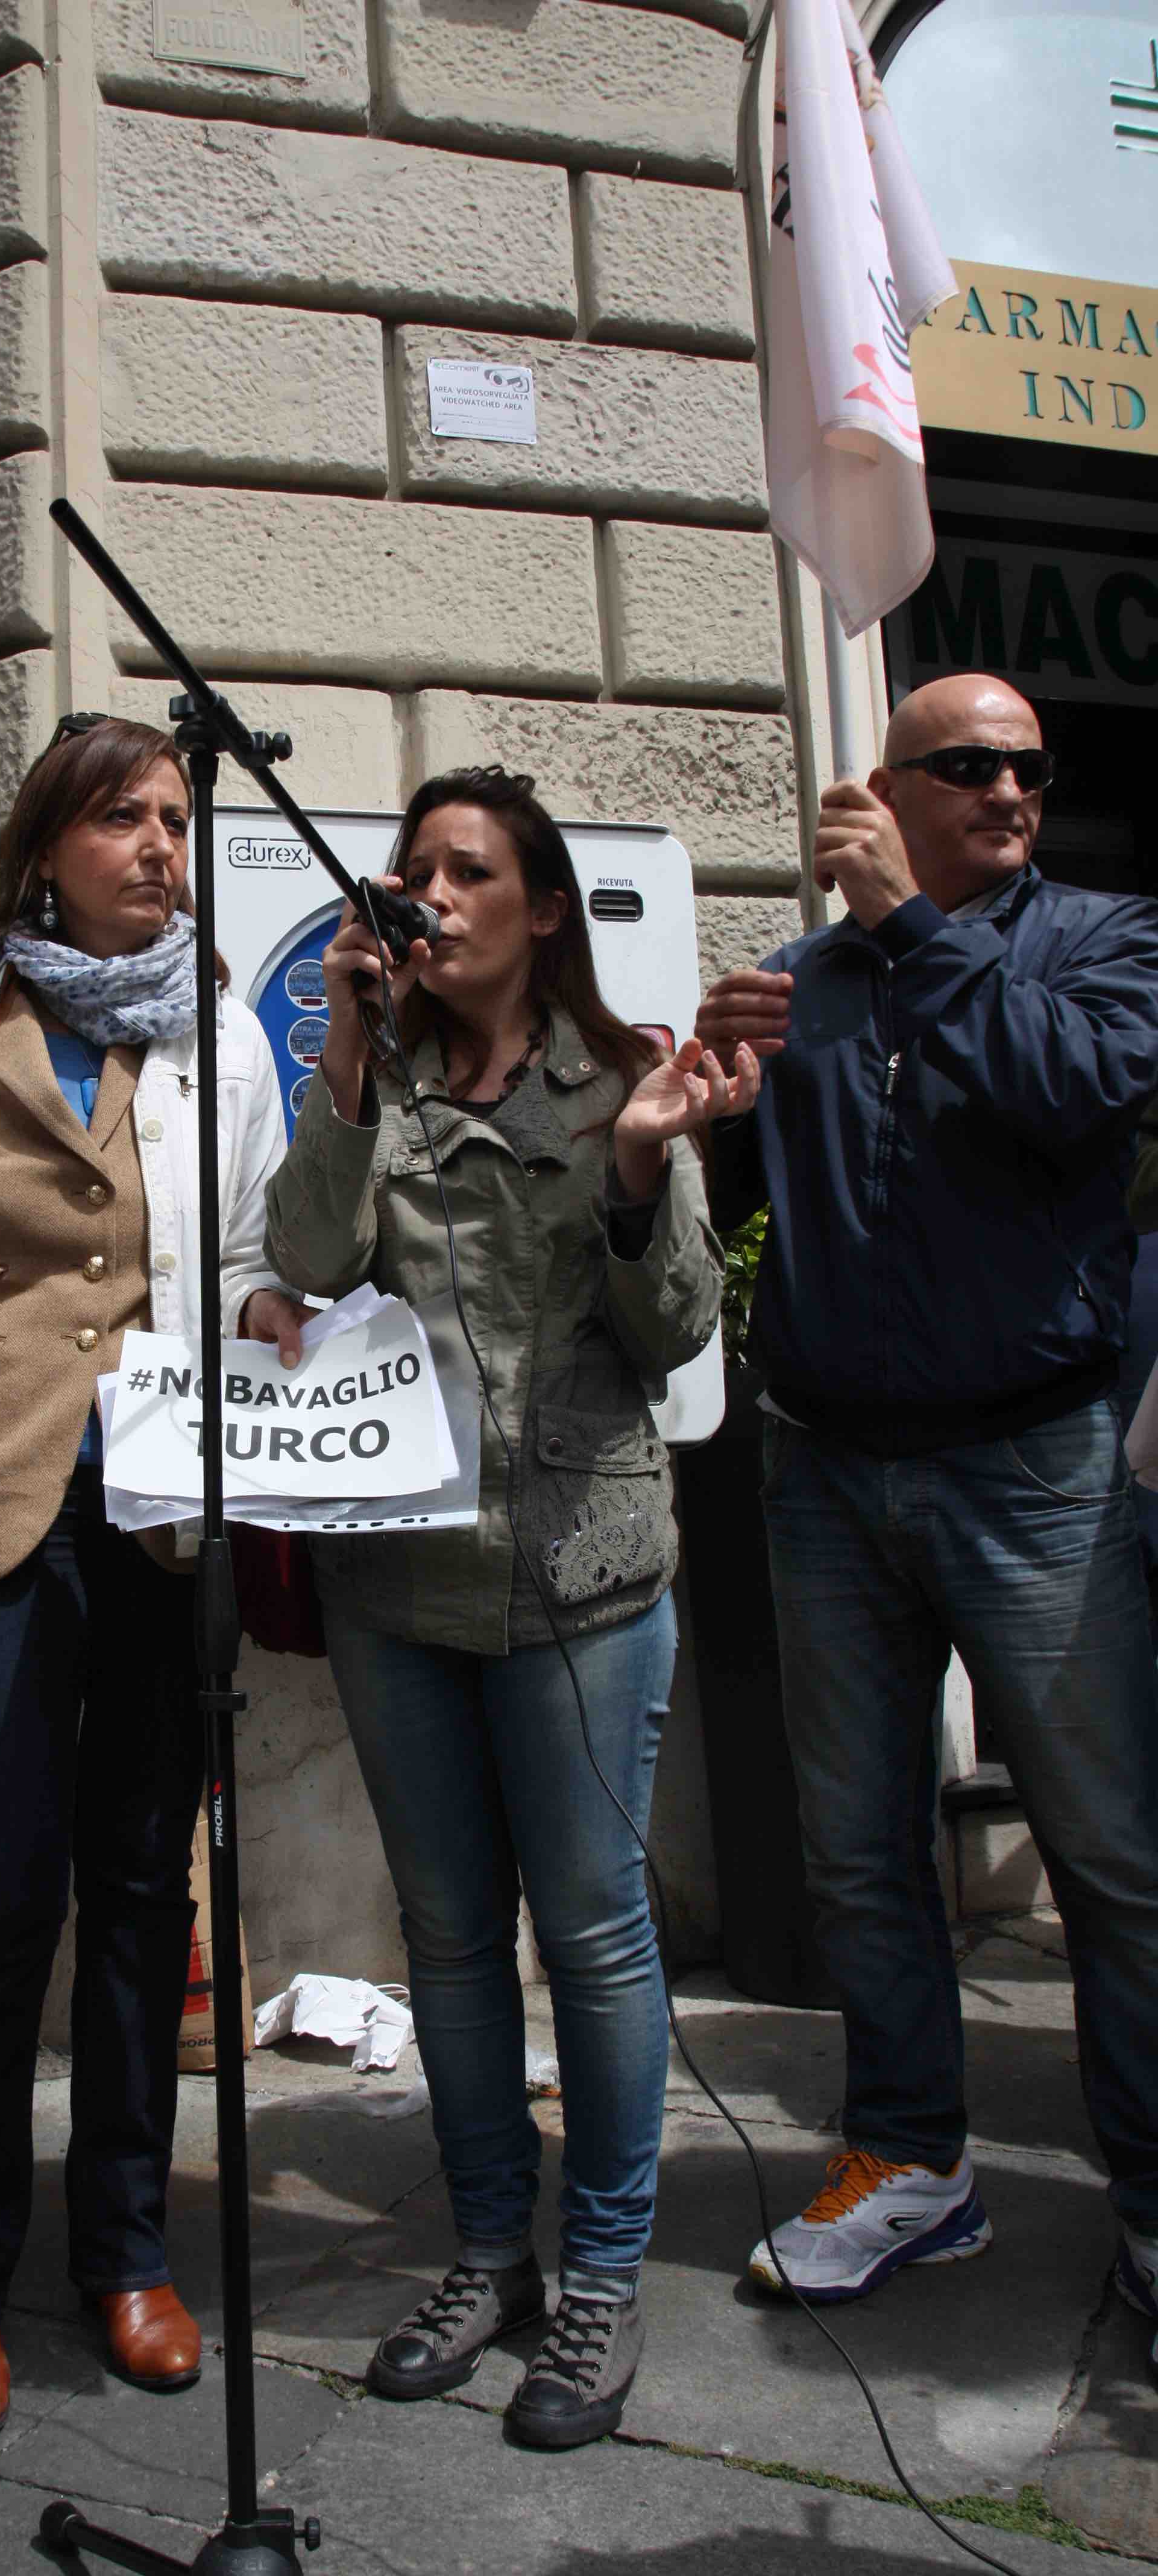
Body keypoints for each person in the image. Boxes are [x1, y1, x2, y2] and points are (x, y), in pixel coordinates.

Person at [0, 716, 308, 2443]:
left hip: (159, 1507)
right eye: (123, 819)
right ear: (46, 847)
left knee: (145, 1897)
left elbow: (241, 1252)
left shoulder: (220, 1034)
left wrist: (277, 1316)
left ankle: (127, 2254)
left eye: (173, 817)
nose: (161, 845)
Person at [264, 765, 758, 2448]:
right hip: (399, 1585)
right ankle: (491, 2255)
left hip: (581, 1579)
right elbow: (307, 1260)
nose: (431, 895)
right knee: (451, 1943)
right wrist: (344, 1050)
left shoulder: (619, 1080)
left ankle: (603, 2273)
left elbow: (677, 1333)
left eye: (467, 871)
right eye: (414, 870)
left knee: (596, 1937)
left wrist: (634, 1168)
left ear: (543, 909)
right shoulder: (376, 1078)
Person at [695, 673, 1158, 2364]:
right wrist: (722, 1093)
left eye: (1027, 767)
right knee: (859, 1855)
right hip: (826, 1470)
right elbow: (758, 1214)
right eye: (967, 766)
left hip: (1031, 1464)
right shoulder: (804, 982)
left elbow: (1080, 1092)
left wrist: (907, 925)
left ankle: (1153, 2197)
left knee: (1111, 1853)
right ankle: (908, 2159)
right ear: (886, 787)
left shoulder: (1106, 941)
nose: (1010, 792)